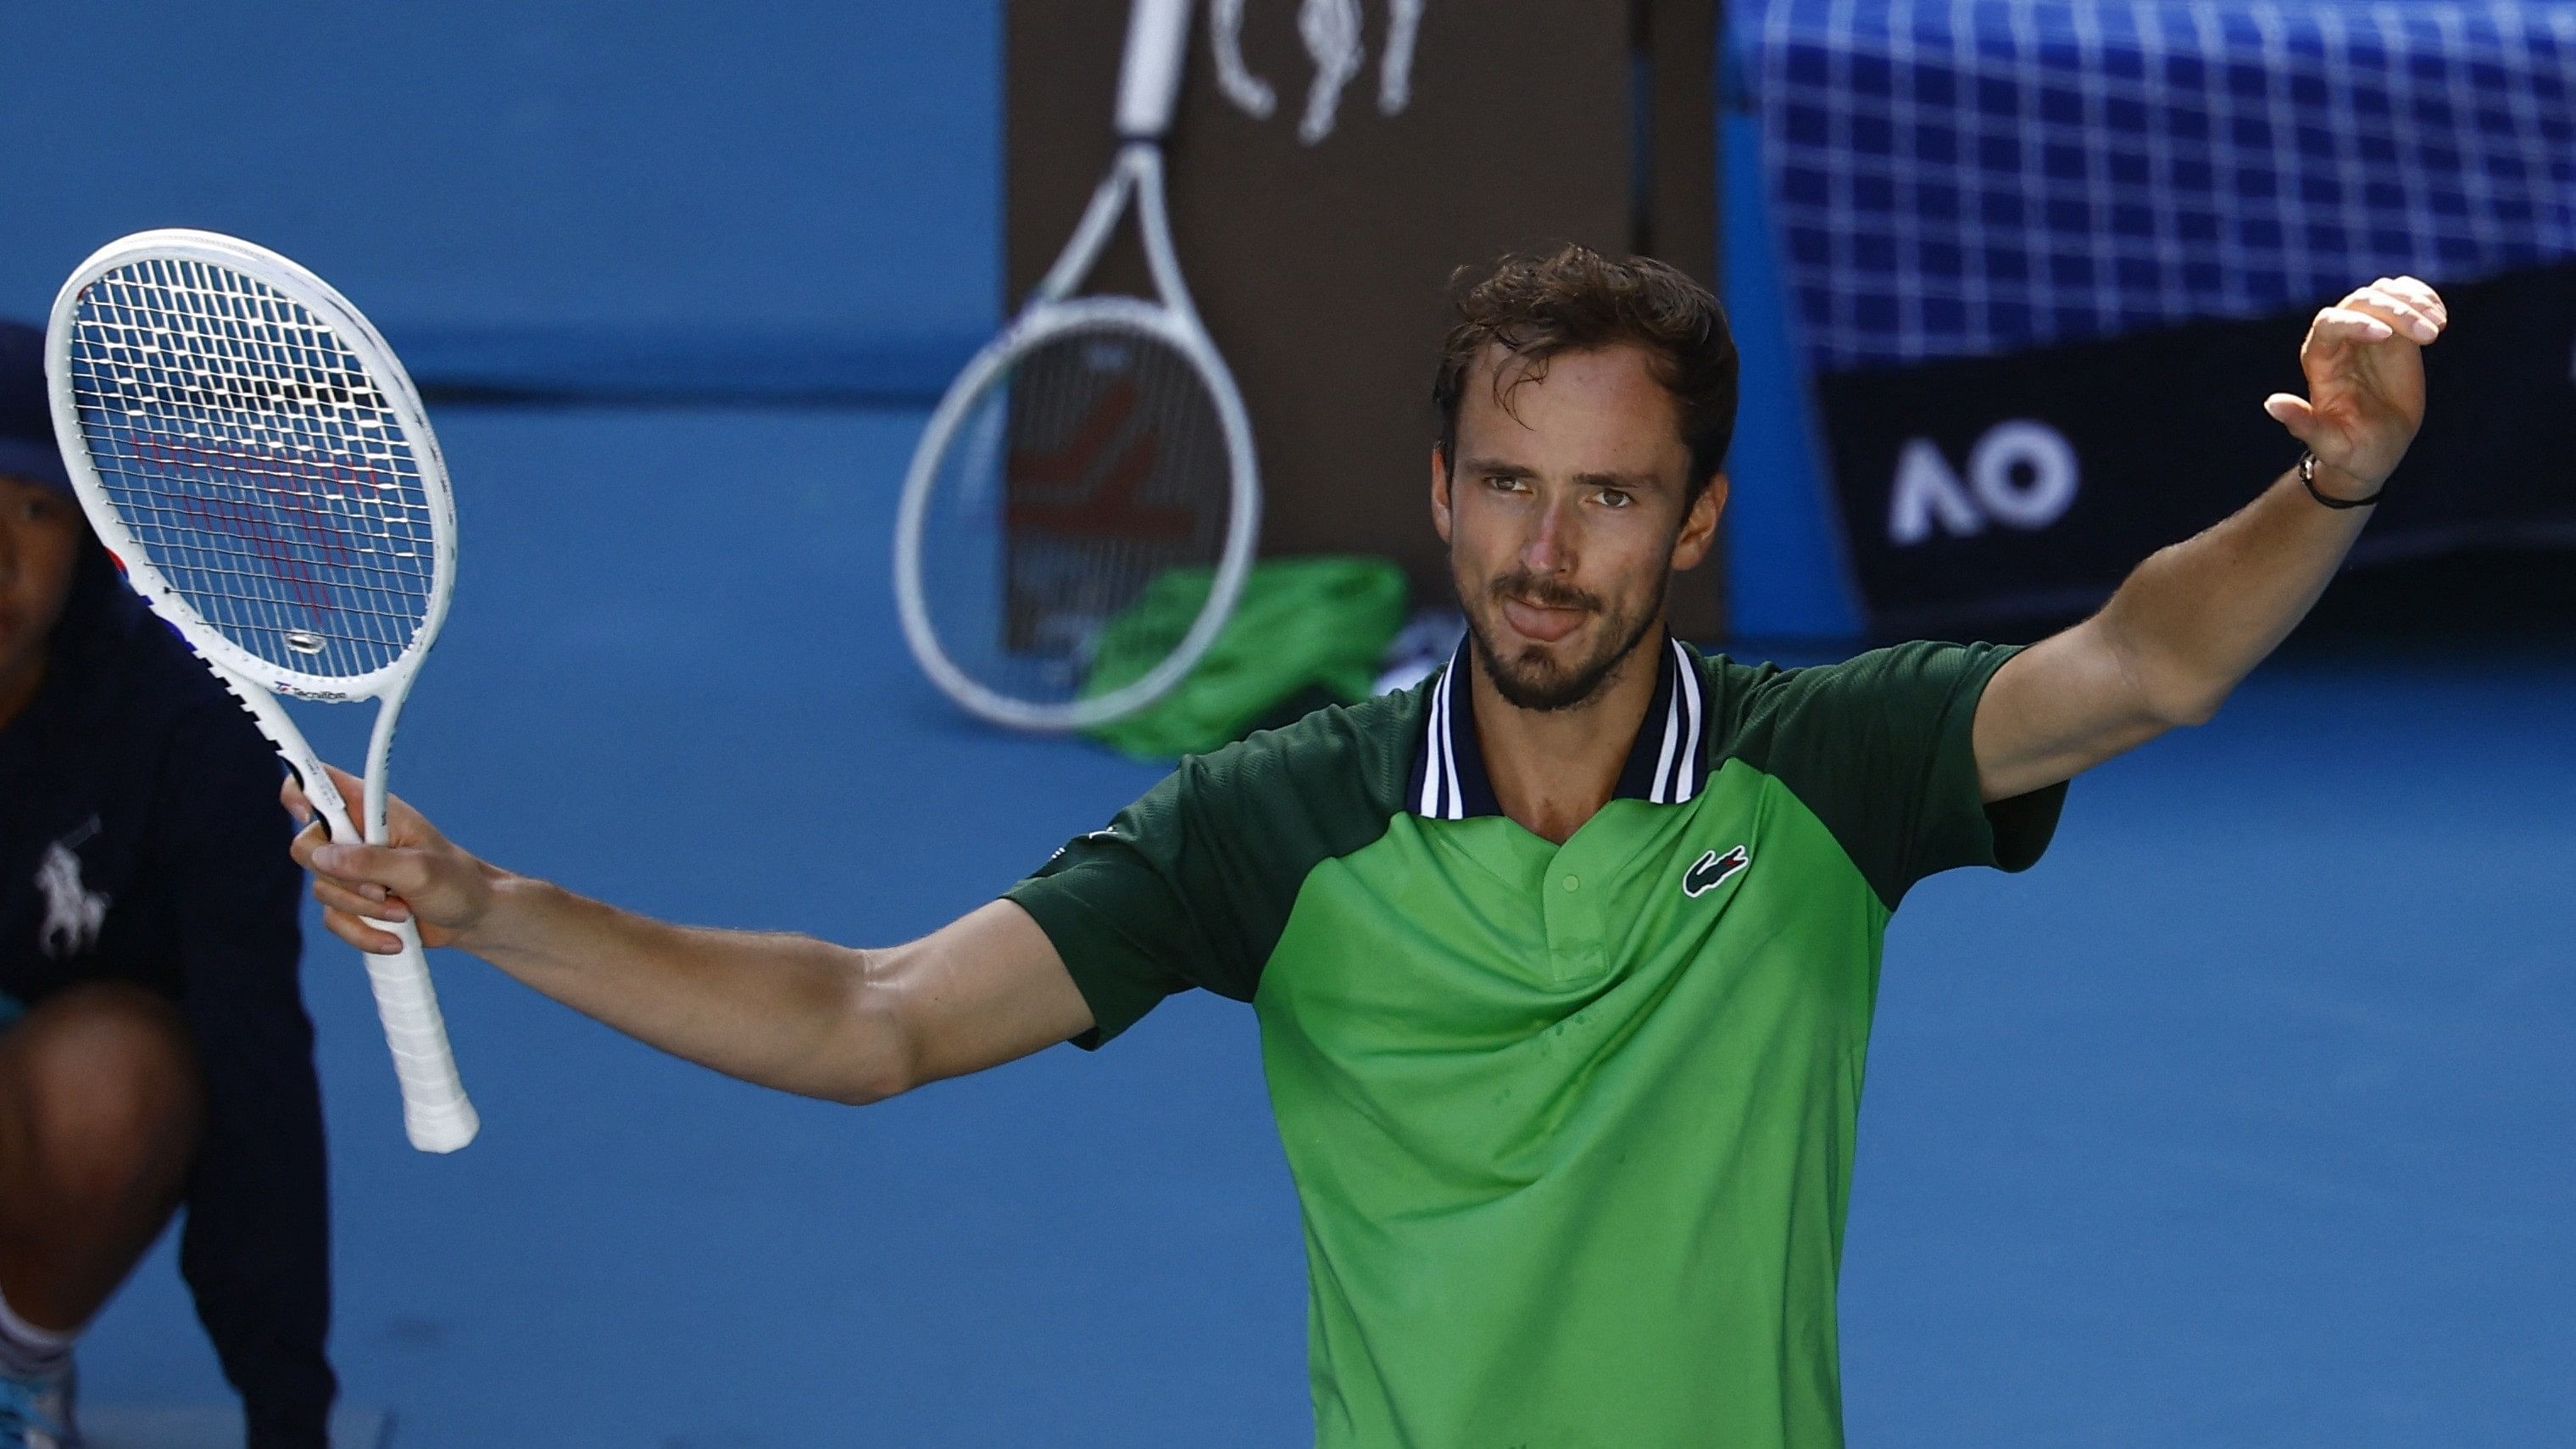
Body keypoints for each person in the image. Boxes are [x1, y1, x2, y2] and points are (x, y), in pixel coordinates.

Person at [292, 250, 2445, 1448]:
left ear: (1693, 520)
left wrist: (2325, 491)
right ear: (1437, 491)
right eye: (1506, 483)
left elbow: (2141, 667)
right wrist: (493, 911)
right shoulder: (1277, 825)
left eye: (1608, 497)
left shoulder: (1831, 773)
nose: (1546, 549)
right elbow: (873, 1020)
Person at [0, 320, 336, 1449]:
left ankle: (14, 1371)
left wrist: (288, 1418)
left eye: (36, 508)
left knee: (122, 1082)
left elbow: (256, 1073)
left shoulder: (192, 733)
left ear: (92, 539)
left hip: (39, 1086)